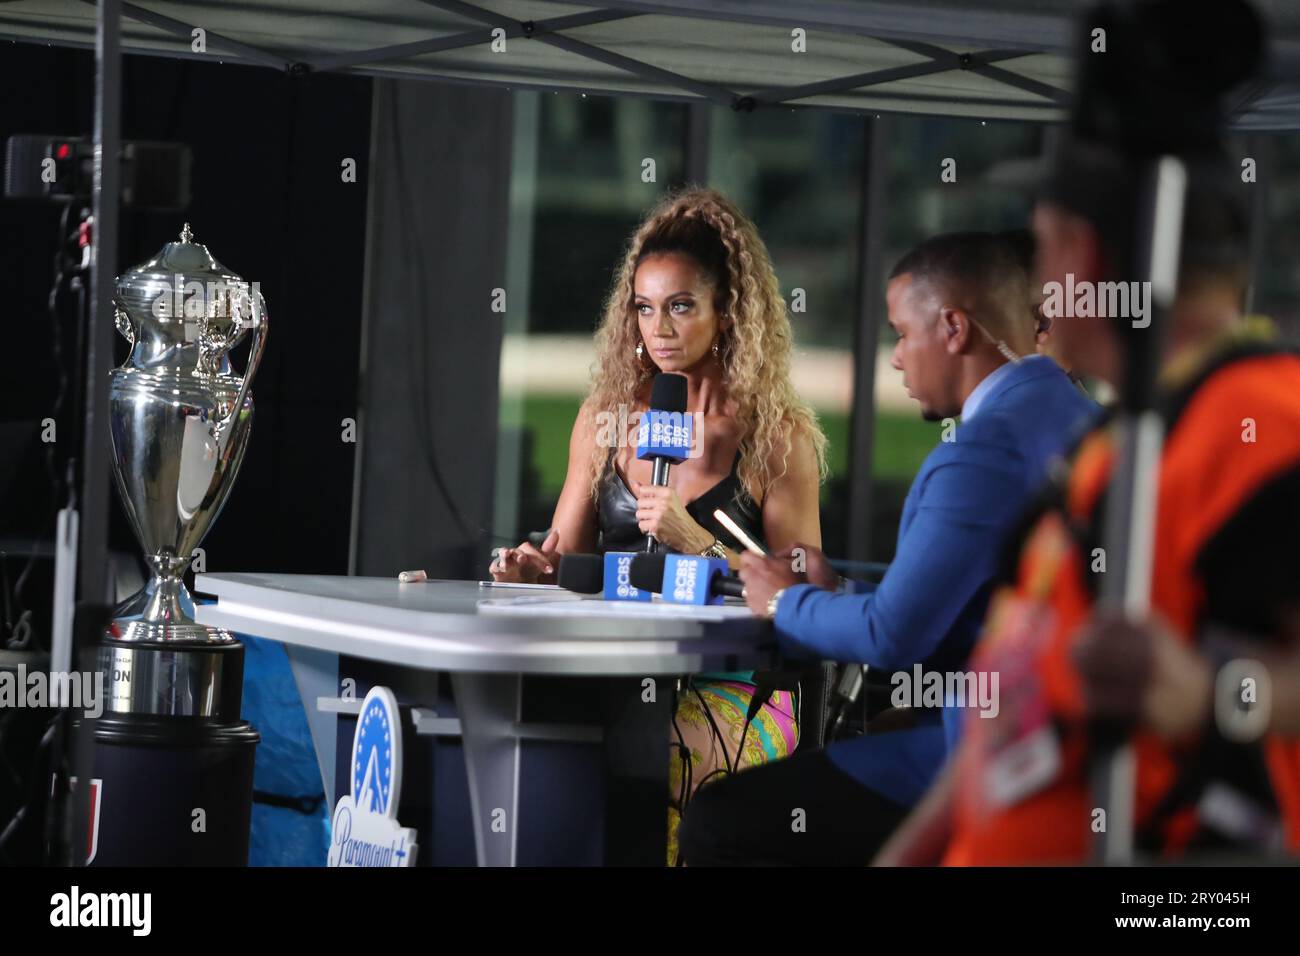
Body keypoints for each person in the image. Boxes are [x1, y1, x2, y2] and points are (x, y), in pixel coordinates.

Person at [877, 144, 1300, 867]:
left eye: (1043, 249)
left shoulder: (1262, 422)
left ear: (1084, 254)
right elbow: (1009, 711)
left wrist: (1213, 694)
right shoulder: (1117, 439)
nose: (1036, 286)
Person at [678, 231, 1097, 865]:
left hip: (986, 761)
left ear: (954, 328)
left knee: (719, 817)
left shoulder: (981, 452)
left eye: (902, 333)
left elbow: (895, 637)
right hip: (1058, 752)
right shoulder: (1078, 416)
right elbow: (963, 607)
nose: (897, 359)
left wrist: (782, 605)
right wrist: (835, 595)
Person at [489, 187, 827, 863]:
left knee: (645, 758)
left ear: (726, 312)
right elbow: (567, 553)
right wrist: (537, 565)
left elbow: (808, 590)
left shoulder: (775, 437)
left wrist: (699, 544)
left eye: (680, 306)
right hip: (613, 675)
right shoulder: (605, 417)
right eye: (644, 307)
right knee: (530, 739)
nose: (659, 328)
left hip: (738, 688)